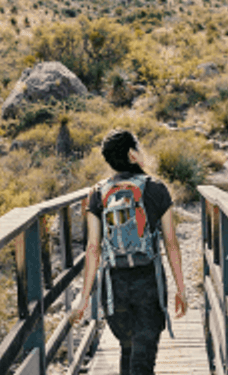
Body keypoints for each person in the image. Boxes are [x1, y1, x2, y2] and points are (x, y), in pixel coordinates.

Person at [72, 129, 188, 375]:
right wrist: (181, 288)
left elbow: (93, 248)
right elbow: (171, 243)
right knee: (142, 361)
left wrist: (84, 298)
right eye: (138, 147)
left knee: (128, 350)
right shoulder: (156, 188)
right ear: (132, 155)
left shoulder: (98, 193)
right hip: (148, 284)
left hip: (114, 288)